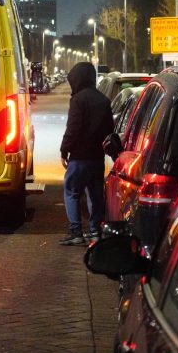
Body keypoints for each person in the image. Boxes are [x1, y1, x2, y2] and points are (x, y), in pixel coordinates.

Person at [59, 62, 114, 246]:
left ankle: (76, 231)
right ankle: (95, 231)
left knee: (71, 192)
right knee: (95, 195)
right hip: (97, 157)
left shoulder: (78, 100)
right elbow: (109, 130)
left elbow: (73, 128)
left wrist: (64, 150)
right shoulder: (103, 100)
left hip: (79, 157)